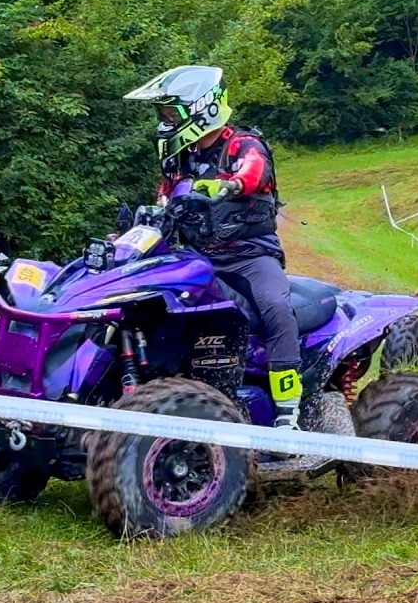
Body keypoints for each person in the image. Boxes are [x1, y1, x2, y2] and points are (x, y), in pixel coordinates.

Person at [124, 65, 304, 430]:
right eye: (164, 113)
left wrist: (230, 185)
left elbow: (253, 170)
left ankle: (288, 411)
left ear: (201, 107)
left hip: (249, 256)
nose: (165, 120)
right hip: (196, 257)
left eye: (172, 113)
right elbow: (164, 201)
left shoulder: (242, 144)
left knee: (275, 307)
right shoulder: (180, 158)